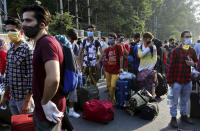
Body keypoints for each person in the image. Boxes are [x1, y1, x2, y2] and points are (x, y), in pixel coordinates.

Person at [22, 5, 66, 130]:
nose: (24, 24)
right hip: (47, 106)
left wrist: (44, 102)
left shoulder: (46, 43)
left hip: (49, 109)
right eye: (23, 20)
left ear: (42, 25)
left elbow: (53, 79)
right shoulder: (42, 42)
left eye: (28, 20)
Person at [1, 17, 34, 115]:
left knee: (27, 125)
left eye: (13, 30)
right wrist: (5, 96)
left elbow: (32, 76)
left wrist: (27, 101)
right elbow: (8, 74)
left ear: (21, 32)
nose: (10, 33)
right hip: (12, 97)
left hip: (24, 98)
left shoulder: (28, 49)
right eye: (7, 31)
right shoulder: (10, 51)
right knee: (17, 125)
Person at [167, 31, 198, 128]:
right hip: (177, 81)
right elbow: (170, 67)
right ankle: (173, 118)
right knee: (174, 102)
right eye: (186, 37)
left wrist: (193, 64)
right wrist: (170, 81)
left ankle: (184, 115)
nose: (189, 38)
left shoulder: (192, 51)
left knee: (185, 100)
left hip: (187, 80)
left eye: (190, 36)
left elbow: (197, 64)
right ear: (181, 39)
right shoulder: (175, 51)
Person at [104, 32, 124, 103]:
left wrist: (121, 68)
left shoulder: (119, 47)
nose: (110, 40)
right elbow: (106, 59)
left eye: (111, 38)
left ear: (115, 39)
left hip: (116, 70)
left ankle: (112, 98)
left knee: (113, 86)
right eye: (109, 39)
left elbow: (121, 58)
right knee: (109, 86)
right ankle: (112, 99)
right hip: (107, 70)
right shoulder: (107, 49)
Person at [137, 32, 157, 98]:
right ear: (145, 39)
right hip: (141, 69)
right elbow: (140, 55)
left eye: (151, 39)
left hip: (149, 70)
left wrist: (150, 68)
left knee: (149, 87)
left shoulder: (153, 47)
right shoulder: (140, 47)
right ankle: (142, 99)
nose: (150, 41)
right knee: (141, 87)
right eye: (149, 39)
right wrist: (148, 48)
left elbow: (155, 58)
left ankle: (149, 100)